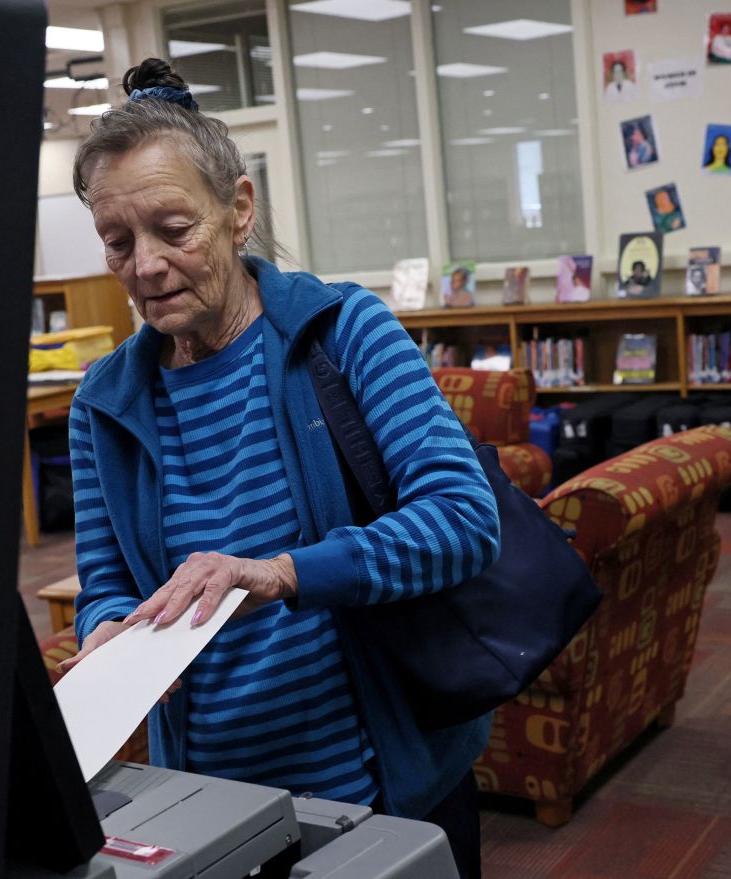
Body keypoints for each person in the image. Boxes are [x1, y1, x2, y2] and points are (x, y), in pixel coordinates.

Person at [57, 57, 501, 877]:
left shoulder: (344, 331)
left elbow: (463, 520)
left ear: (238, 210)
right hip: (210, 804)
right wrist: (108, 637)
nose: (145, 265)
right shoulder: (102, 404)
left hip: (380, 791)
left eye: (172, 229)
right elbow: (107, 582)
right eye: (118, 242)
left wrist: (281, 572)